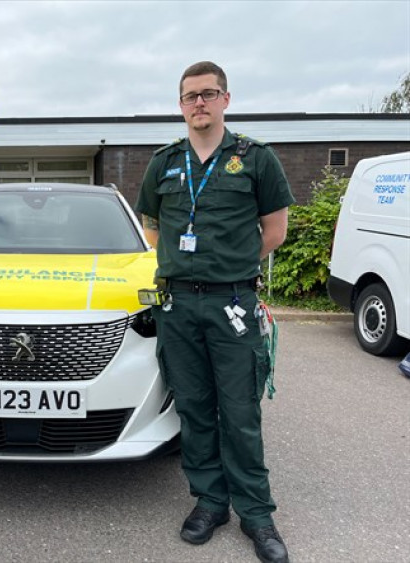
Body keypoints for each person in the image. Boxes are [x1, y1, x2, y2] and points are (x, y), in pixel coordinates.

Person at [136, 61, 294, 563]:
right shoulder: (164, 163)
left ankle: (256, 512)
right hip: (178, 304)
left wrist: (230, 266)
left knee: (241, 410)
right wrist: (186, 266)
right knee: (195, 407)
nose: (199, 103)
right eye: (190, 96)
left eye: (208, 94)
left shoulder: (255, 159)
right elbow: (153, 227)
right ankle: (210, 501)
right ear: (180, 105)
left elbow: (275, 229)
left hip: (233, 303)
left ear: (226, 99)